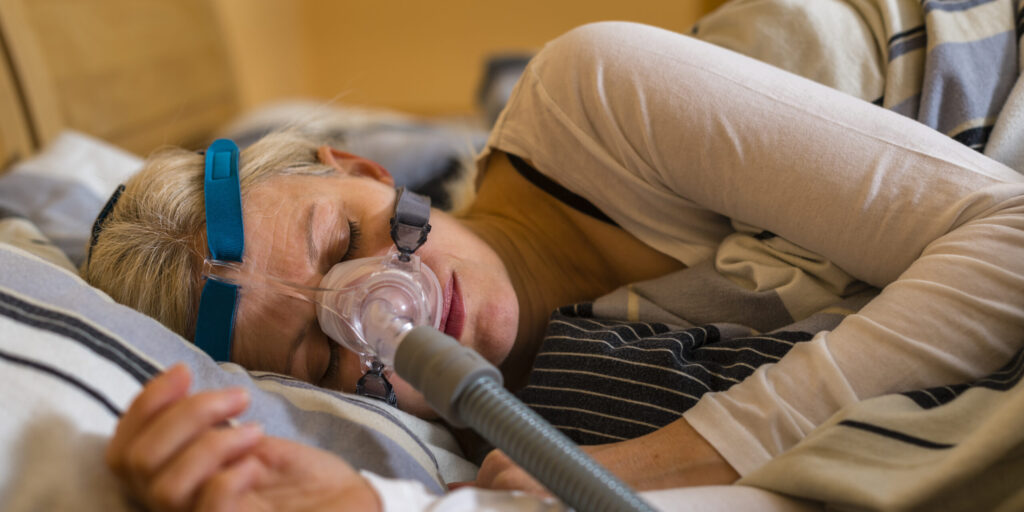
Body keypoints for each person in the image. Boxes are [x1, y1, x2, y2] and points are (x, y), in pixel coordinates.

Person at [86, 21, 1024, 511]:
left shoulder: (594, 99)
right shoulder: (548, 420)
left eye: (344, 243)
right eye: (330, 356)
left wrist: (670, 460)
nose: (392, 306)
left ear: (367, 170)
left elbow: (1009, 234)